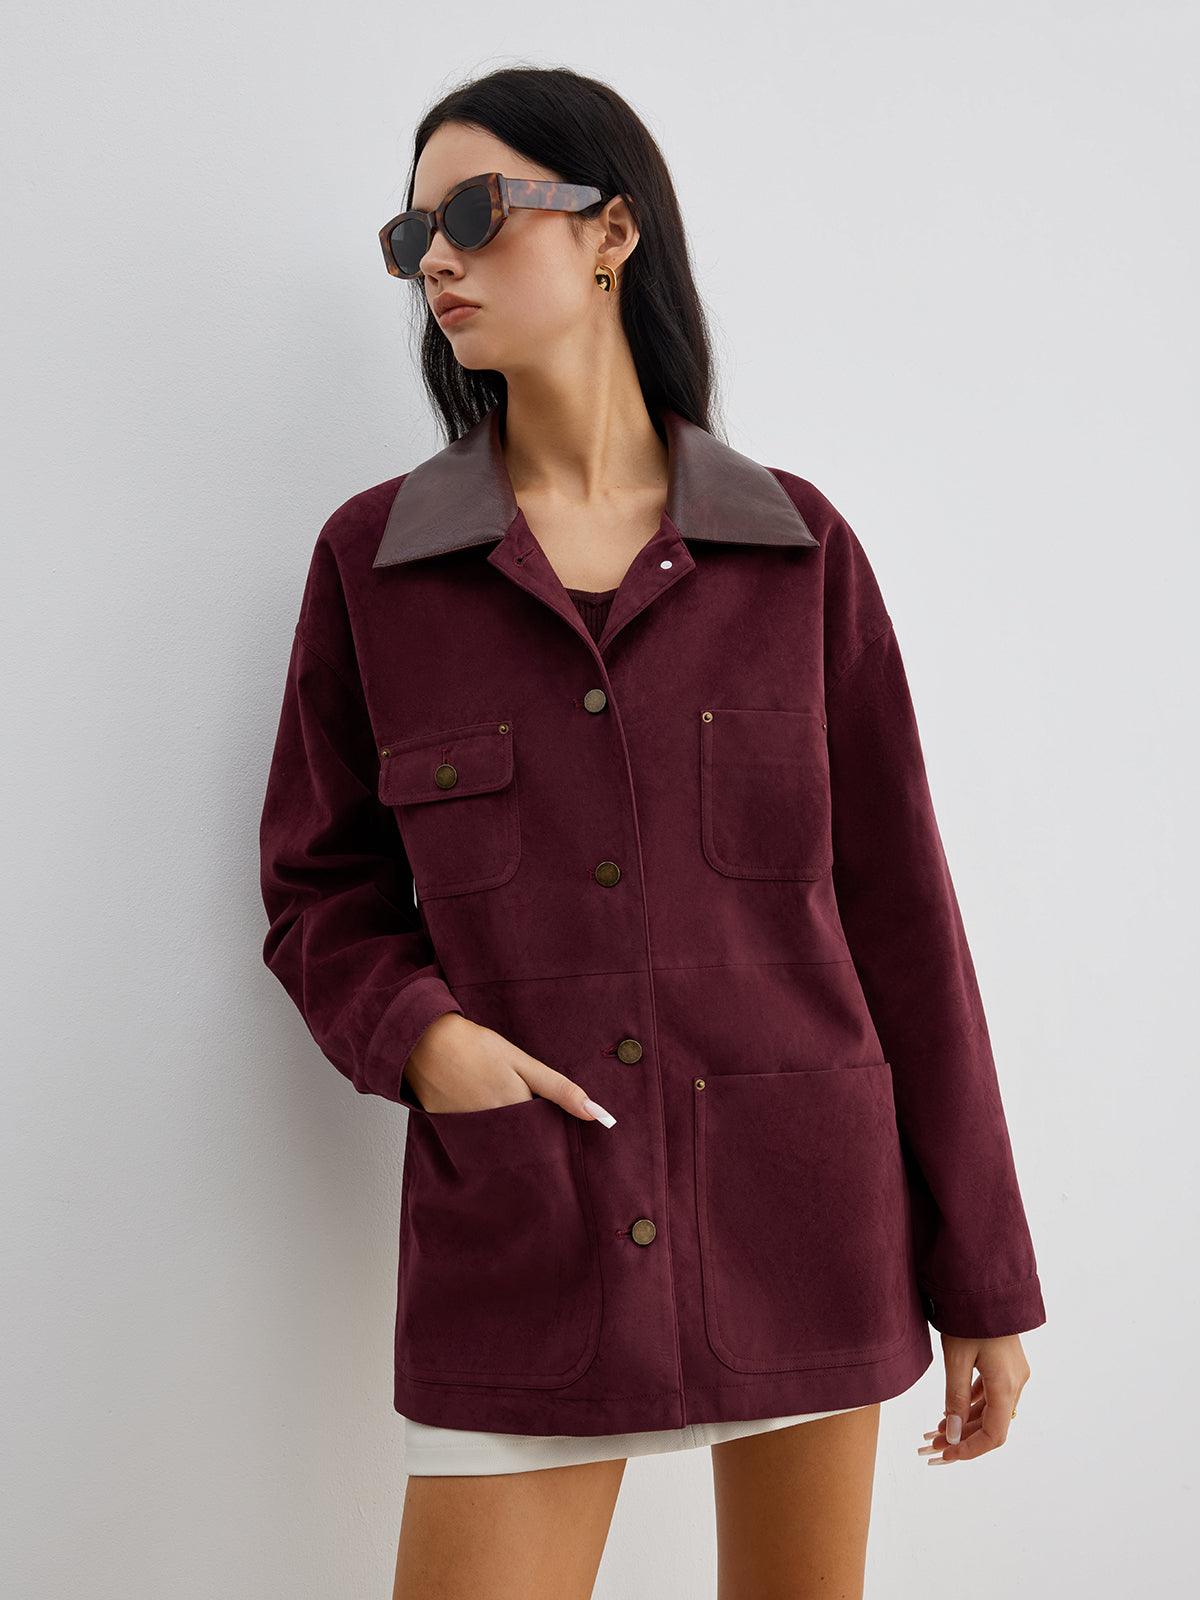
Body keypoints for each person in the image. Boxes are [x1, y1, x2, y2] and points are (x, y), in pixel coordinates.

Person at [257, 65, 1046, 1600]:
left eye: (475, 213)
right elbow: (316, 887)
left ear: (612, 231)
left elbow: (905, 924)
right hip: (526, 1230)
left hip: (802, 1217)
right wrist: (426, 1040)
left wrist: (986, 1281)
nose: (434, 260)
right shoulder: (376, 564)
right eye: (411, 234)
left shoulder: (795, 551)